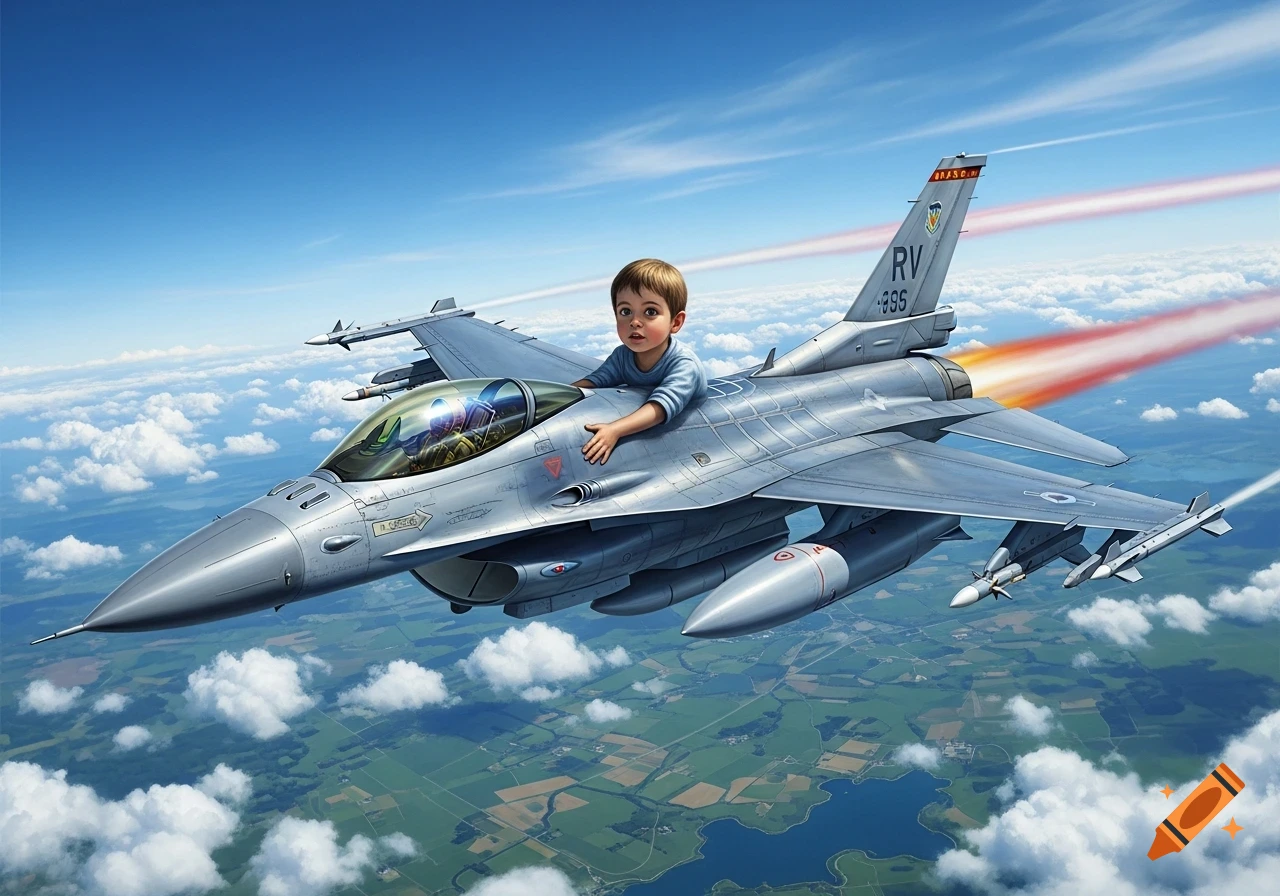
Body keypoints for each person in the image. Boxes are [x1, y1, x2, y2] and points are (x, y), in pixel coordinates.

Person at [571, 258, 707, 464]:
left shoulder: (684, 364)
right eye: (625, 311)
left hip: (687, 431)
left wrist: (615, 430)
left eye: (650, 312)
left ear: (675, 322)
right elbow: (597, 380)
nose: (634, 322)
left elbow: (661, 407)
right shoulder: (622, 355)